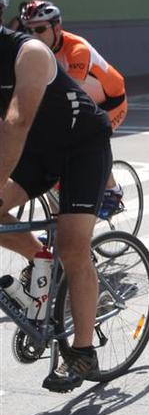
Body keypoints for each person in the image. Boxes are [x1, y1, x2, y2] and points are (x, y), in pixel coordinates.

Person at [0, 24, 113, 392]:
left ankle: (82, 352)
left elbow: (16, 123)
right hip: (38, 153)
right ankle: (41, 260)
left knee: (73, 246)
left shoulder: (29, 53)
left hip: (82, 148)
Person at [19, 0, 129, 213]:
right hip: (81, 103)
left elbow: (68, 94)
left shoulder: (77, 49)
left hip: (111, 102)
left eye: (39, 29)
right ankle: (54, 223)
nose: (33, 36)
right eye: (28, 30)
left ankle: (113, 190)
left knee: (91, 139)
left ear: (57, 27)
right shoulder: (35, 51)